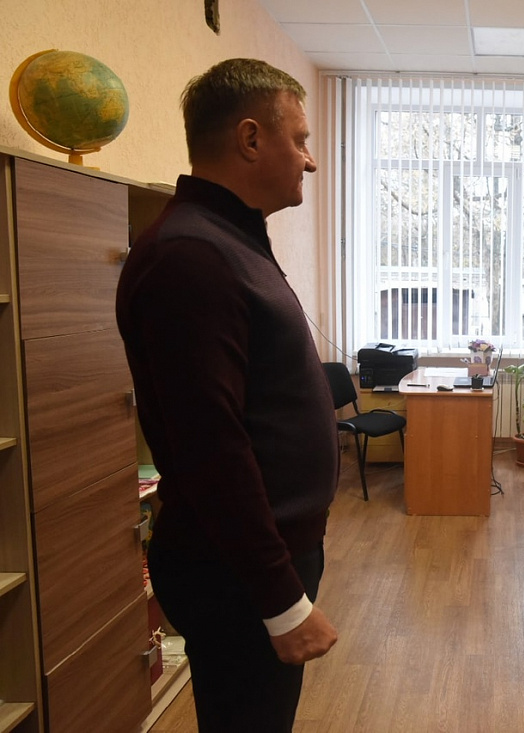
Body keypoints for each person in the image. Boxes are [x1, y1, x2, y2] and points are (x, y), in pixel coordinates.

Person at [116, 59, 338, 732]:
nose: (309, 160)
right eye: (299, 139)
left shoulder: (227, 241)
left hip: (256, 558)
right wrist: (281, 599)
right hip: (236, 572)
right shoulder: (191, 256)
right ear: (249, 138)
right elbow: (211, 448)